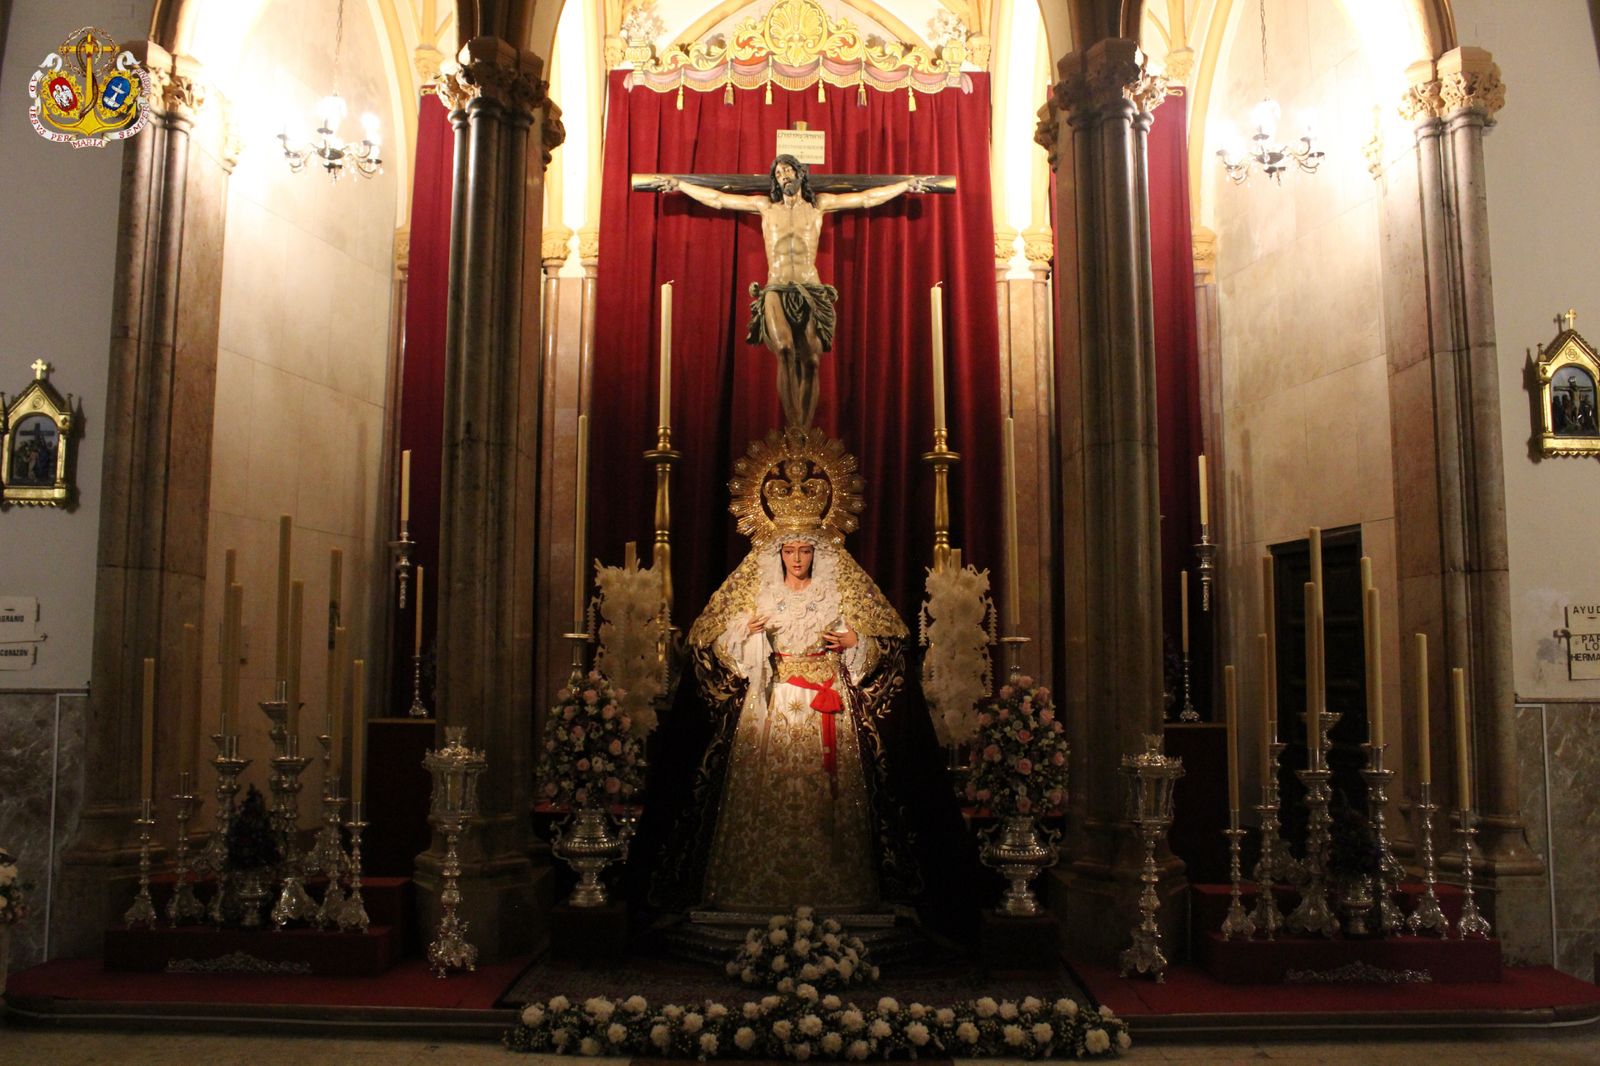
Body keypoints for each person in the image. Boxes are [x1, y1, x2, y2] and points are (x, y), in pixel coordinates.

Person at [653, 433, 919, 912]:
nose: (797, 558)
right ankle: (757, 892)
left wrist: (859, 643)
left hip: (827, 703)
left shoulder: (839, 590)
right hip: (772, 707)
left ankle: (838, 893)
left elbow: (888, 635)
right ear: (778, 554)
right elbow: (709, 637)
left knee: (827, 802)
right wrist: (747, 633)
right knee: (770, 800)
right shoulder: (761, 592)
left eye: (805, 550)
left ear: (818, 551)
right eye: (789, 551)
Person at [650, 156, 932, 428]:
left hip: (810, 288)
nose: (783, 176)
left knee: (811, 361)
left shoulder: (819, 206)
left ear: (800, 174)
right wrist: (679, 184)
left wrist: (905, 185)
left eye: (788, 171)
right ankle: (794, 426)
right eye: (778, 173)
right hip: (776, 288)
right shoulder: (765, 207)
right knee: (784, 349)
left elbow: (867, 198)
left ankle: (803, 433)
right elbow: (718, 199)